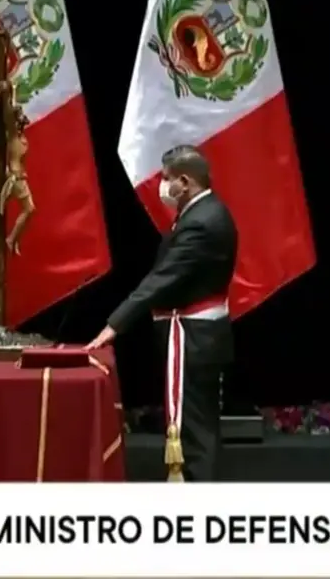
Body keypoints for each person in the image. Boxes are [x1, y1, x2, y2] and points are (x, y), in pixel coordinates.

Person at [86, 144, 237, 481]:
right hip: (198, 337)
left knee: (195, 431)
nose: (162, 185)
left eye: (167, 178)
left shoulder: (203, 222)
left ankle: (196, 508)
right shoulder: (201, 213)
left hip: (194, 339)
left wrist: (114, 325)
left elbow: (162, 279)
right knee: (195, 426)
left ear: (185, 181)